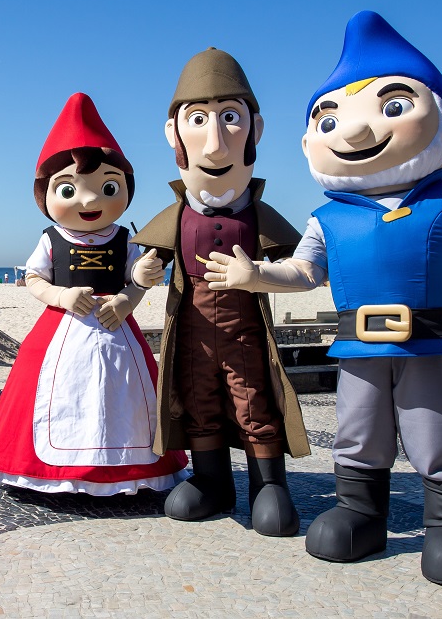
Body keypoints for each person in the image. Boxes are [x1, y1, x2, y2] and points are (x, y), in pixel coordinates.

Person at [204, 11, 442, 588]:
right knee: (358, 430)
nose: (355, 133)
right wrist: (256, 275)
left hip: (429, 343)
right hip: (358, 347)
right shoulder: (328, 218)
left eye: (394, 105)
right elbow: (304, 271)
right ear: (309, 142)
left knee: (434, 431)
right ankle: (360, 512)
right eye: (331, 120)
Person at [131, 48, 310, 536]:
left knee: (254, 401)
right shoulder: (176, 216)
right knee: (198, 401)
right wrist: (143, 273)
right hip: (191, 336)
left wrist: (262, 274)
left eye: (230, 118)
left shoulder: (258, 216)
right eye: (198, 120)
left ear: (255, 130)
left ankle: (268, 484)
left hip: (244, 333)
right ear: (174, 134)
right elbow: (145, 264)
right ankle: (212, 482)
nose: (214, 144)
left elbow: (304, 266)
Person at [0, 92, 188, 495]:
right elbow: (35, 279)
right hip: (62, 326)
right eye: (68, 190)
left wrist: (129, 296)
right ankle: (50, 468)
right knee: (53, 391)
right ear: (45, 193)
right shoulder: (51, 238)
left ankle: (128, 468)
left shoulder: (125, 239)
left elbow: (138, 278)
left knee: (125, 392)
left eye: (108, 187)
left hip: (116, 327)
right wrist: (61, 297)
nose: (90, 200)